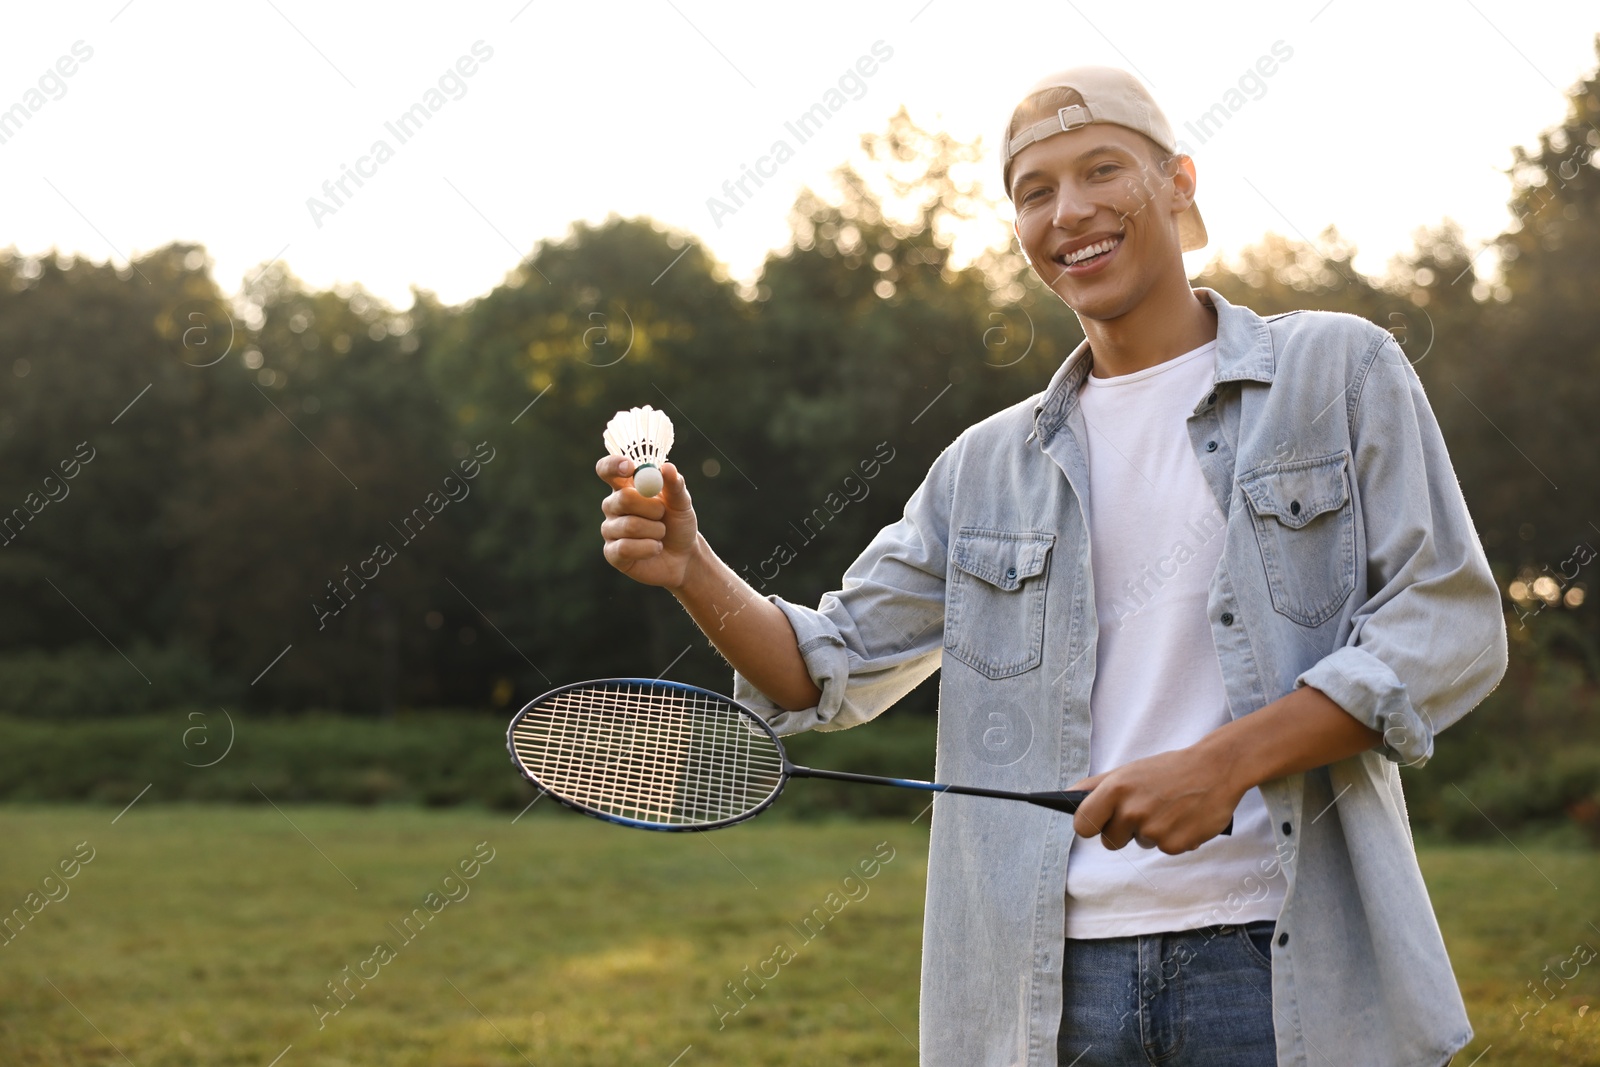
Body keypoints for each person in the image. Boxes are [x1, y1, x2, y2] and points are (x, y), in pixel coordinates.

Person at [596, 65, 1506, 1067]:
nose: (1069, 211)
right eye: (1034, 191)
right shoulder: (983, 467)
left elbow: (1446, 625)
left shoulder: (1338, 370)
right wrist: (692, 566)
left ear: (1177, 182)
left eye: (1100, 168)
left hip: (1283, 963)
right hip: (1045, 993)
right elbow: (823, 667)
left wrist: (1225, 762)